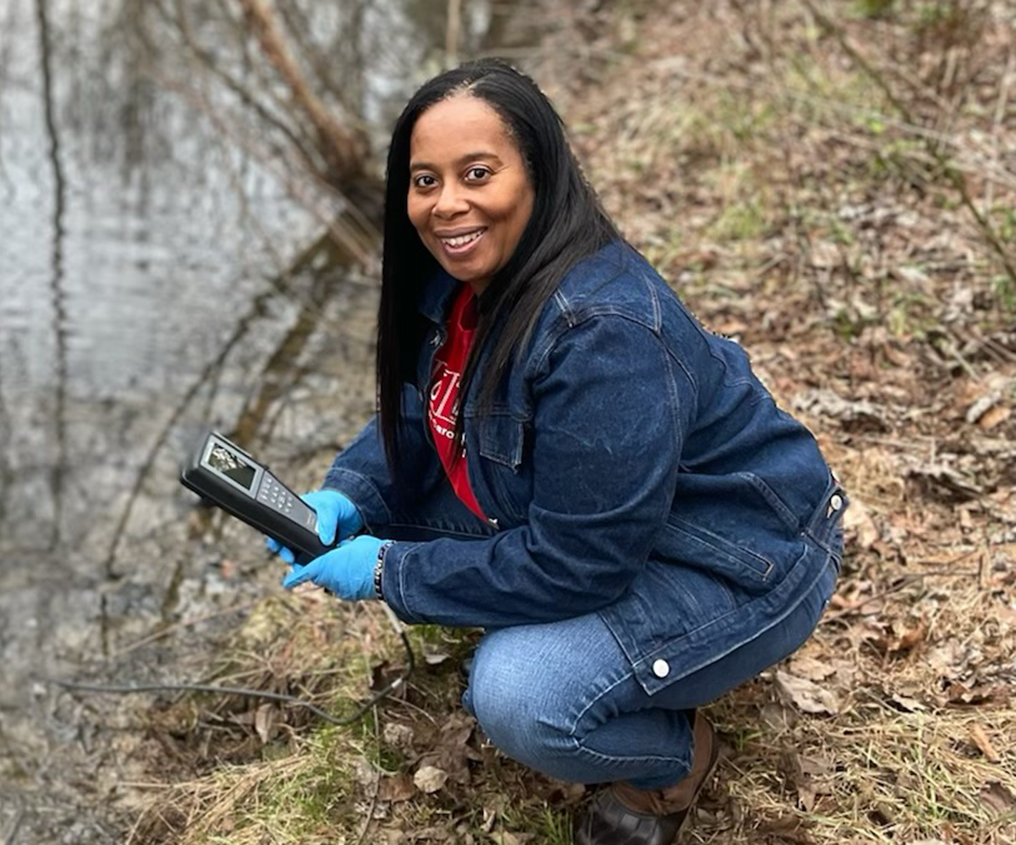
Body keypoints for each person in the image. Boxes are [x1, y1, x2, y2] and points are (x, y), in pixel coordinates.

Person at [266, 59, 844, 845]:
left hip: (742, 558)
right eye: (425, 181)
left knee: (519, 693)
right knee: (419, 543)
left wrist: (385, 570)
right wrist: (352, 497)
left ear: (538, 172)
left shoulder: (601, 333)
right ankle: (623, 664)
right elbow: (416, 406)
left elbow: (580, 564)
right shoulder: (461, 278)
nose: (447, 205)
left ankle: (672, 758)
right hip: (627, 531)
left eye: (477, 173)